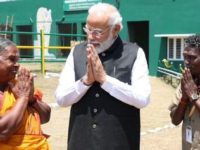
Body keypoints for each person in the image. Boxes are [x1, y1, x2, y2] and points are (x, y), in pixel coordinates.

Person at [55, 2, 151, 150]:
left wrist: (105, 81)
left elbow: (142, 99)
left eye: (97, 32)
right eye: (88, 29)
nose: (90, 37)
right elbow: (61, 99)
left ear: (116, 29)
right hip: (81, 142)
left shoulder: (134, 53)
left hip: (119, 143)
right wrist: (85, 82)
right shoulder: (76, 52)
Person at [0, 37, 51, 149]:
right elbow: (3, 132)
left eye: (18, 60)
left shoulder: (20, 86)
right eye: (11, 59)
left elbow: (45, 117)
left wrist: (31, 99)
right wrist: (23, 98)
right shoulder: (21, 92)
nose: (17, 64)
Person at [169, 35, 200, 150]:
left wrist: (194, 96)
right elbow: (175, 121)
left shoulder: (190, 87)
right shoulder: (187, 83)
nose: (186, 62)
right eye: (185, 56)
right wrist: (184, 98)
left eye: (192, 57)